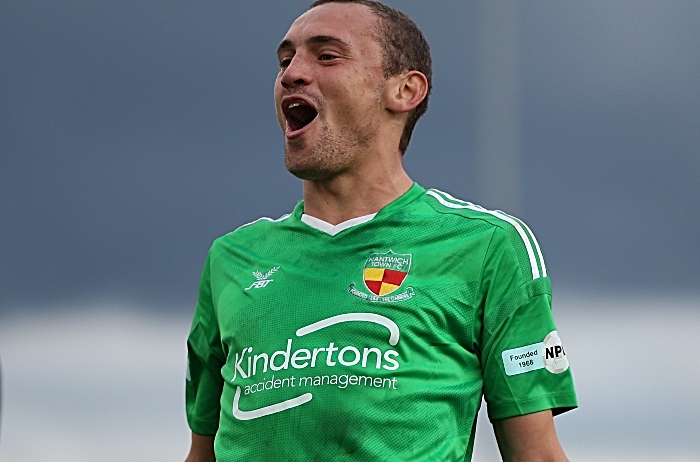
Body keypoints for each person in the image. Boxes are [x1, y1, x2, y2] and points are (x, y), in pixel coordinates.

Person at [185, 1, 577, 461]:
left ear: (405, 90)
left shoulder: (488, 246)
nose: (292, 73)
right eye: (285, 60)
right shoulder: (232, 259)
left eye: (326, 55)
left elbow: (538, 457)